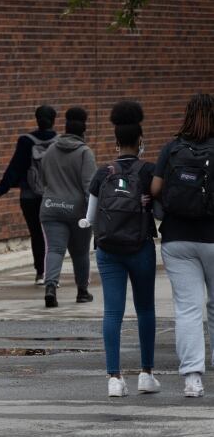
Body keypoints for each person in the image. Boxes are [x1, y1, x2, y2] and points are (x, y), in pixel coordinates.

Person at [83, 101, 160, 397]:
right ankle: (146, 374)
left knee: (112, 312)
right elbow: (160, 211)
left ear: (115, 142)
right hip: (140, 247)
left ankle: (114, 379)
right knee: (145, 309)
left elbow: (90, 218)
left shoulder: (104, 173)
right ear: (140, 142)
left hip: (108, 249)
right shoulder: (149, 171)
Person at [150, 93, 214, 398]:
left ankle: (192, 378)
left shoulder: (172, 148)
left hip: (177, 238)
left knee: (188, 309)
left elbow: (156, 189)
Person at [0, 106, 58, 285]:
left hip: (29, 196)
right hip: (54, 196)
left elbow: (15, 168)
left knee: (36, 233)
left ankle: (40, 273)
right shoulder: (60, 142)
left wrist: (0, 189)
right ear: (54, 120)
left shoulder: (25, 141)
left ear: (37, 119)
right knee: (53, 235)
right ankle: (53, 274)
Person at [39, 107, 97, 308]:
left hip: (51, 206)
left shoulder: (50, 150)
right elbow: (90, 186)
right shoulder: (84, 153)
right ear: (83, 132)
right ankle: (82, 292)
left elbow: (42, 179)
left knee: (54, 249)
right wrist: (93, 216)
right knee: (80, 253)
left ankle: (50, 288)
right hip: (77, 210)